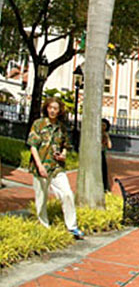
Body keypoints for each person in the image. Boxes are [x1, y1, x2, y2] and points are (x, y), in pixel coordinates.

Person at [27, 97, 84, 239]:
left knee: (67, 194)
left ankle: (72, 227)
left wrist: (63, 155)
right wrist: (40, 166)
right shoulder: (39, 124)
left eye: (55, 108)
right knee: (41, 198)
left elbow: (65, 145)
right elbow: (33, 146)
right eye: (50, 107)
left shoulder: (61, 127)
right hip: (41, 167)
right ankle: (44, 224)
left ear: (59, 111)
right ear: (46, 108)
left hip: (57, 167)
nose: (52, 111)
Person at [101, 118, 112, 192]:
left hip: (101, 153)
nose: (102, 127)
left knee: (103, 170)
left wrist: (107, 137)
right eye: (101, 125)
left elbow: (110, 146)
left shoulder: (105, 135)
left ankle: (105, 187)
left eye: (104, 125)